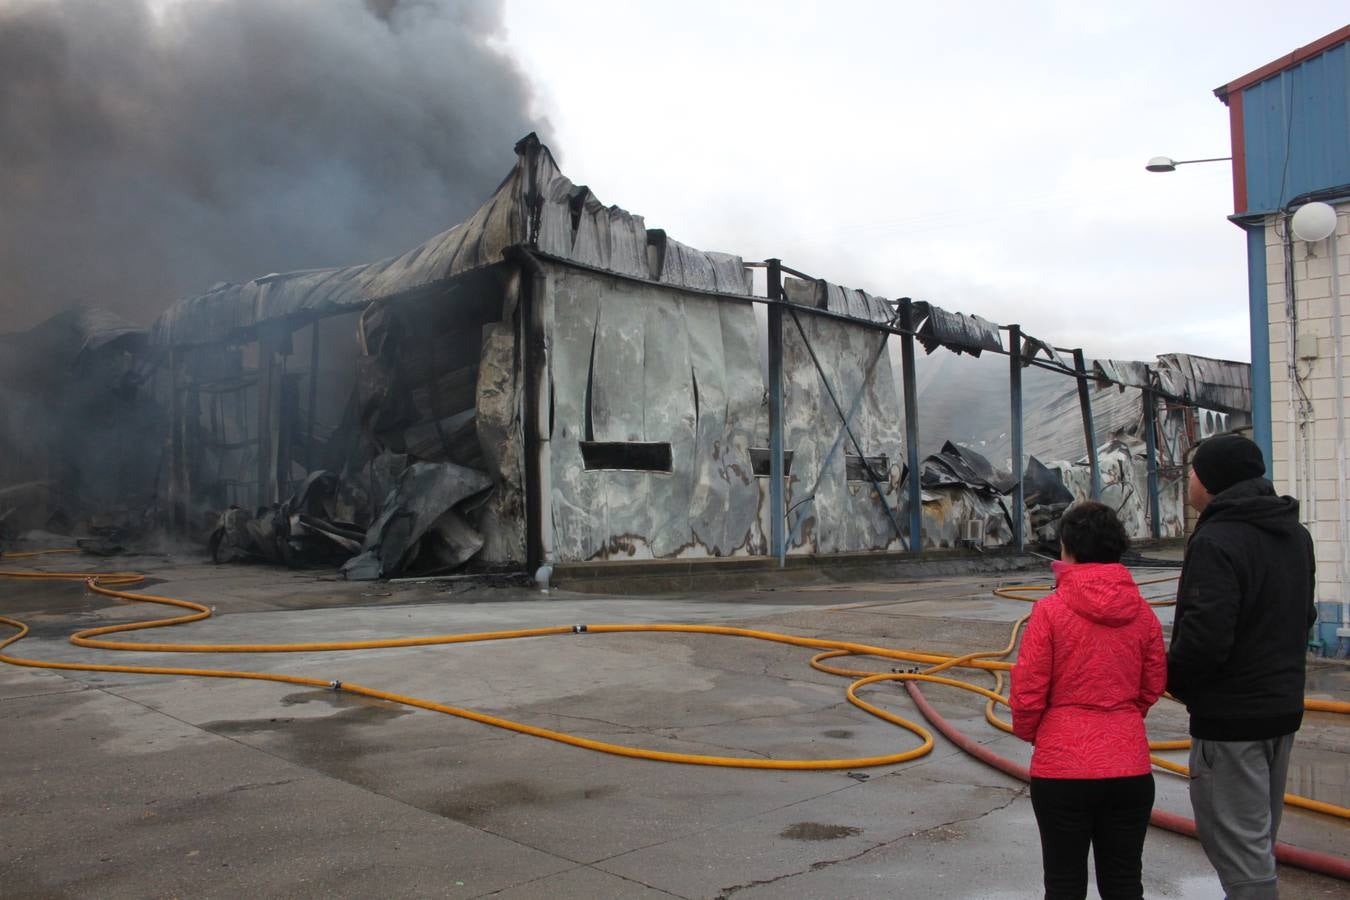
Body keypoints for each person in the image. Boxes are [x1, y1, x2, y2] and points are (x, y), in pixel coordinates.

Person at [1167, 433, 1317, 899]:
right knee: (1257, 840)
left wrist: (1176, 681)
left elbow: (1205, 637)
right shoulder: (1294, 533)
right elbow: (1303, 616)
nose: (1188, 480)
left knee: (1240, 853)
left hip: (1232, 722)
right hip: (1281, 711)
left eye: (1192, 472)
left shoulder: (1216, 539)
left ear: (1211, 482)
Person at [1011, 501, 1166, 900]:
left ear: (1069, 549)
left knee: (1063, 885)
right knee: (1124, 882)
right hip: (1128, 765)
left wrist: (1039, 733)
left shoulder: (1049, 612)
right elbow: (1153, 684)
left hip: (1061, 768)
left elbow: (1027, 692)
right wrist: (1123, 720)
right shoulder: (1143, 613)